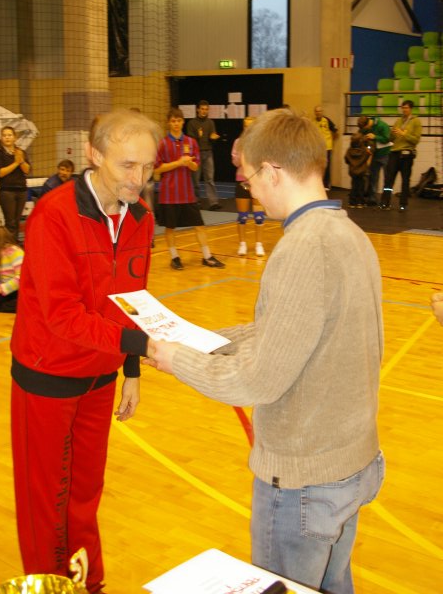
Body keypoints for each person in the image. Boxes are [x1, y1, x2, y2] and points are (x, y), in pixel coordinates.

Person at [146, 109, 385, 594]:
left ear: (273, 171)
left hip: (303, 482)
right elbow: (291, 331)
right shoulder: (349, 233)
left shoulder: (301, 248)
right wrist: (205, 340)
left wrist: (176, 360)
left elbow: (257, 380)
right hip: (350, 464)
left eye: (250, 176)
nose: (249, 187)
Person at [10, 109, 161, 594]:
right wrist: (140, 345)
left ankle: (87, 583)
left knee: (85, 494)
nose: (139, 179)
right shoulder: (54, 214)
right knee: (46, 503)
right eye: (127, 165)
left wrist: (131, 369)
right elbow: (62, 315)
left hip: (100, 378)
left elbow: (132, 301)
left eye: (147, 167)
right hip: (47, 378)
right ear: (94, 155)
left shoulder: (141, 217)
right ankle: (49, 586)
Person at [154, 108, 225, 270]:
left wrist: (189, 163)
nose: (176, 124)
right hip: (169, 195)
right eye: (173, 121)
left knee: (199, 225)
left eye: (178, 120)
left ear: (183, 122)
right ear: (168, 123)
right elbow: (157, 169)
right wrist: (179, 163)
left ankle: (207, 256)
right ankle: (175, 257)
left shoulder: (191, 142)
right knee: (170, 228)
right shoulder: (162, 143)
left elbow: (195, 167)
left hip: (187, 194)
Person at [380, 100, 422, 211]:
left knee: (405, 179)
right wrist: (392, 134)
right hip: (394, 152)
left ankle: (403, 204)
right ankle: (385, 202)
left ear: (411, 109)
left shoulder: (416, 121)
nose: (404, 110)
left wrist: (404, 134)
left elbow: (416, 140)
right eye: (403, 108)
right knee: (389, 179)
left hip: (407, 153)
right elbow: (391, 138)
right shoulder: (398, 120)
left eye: (406, 108)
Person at [231, 118, 265, 256]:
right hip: (242, 180)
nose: (248, 129)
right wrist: (242, 153)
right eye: (246, 126)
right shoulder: (238, 142)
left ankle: (259, 244)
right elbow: (235, 162)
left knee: (259, 215)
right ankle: (242, 244)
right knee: (243, 216)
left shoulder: (261, 143)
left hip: (257, 181)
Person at [0, 125, 31, 239]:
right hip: (7, 192)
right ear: (1, 138)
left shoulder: (21, 152)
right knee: (10, 223)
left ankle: (15, 245)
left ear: (15, 137)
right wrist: (16, 163)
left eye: (9, 135)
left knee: (17, 221)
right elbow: (1, 172)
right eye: (4, 135)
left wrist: (21, 161)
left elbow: (27, 170)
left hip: (22, 190)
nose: (7, 137)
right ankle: (9, 245)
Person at [186, 99, 221, 210]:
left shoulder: (210, 123)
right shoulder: (192, 123)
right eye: (202, 109)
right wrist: (198, 135)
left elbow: (212, 137)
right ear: (198, 109)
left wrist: (213, 138)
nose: (204, 111)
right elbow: (190, 141)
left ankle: (213, 202)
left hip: (208, 152)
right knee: (195, 180)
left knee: (210, 179)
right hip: (196, 154)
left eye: (206, 109)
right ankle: (195, 201)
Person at [357, 115, 391, 206]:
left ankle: (386, 200)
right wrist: (367, 148)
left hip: (385, 154)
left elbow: (387, 139)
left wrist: (375, 137)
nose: (365, 130)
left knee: (387, 178)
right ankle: (372, 199)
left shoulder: (383, 125)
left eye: (365, 129)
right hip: (374, 155)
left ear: (368, 124)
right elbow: (361, 136)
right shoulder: (365, 128)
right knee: (373, 178)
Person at [344, 132, 373, 208]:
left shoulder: (349, 150)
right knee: (361, 187)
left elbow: (346, 160)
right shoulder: (364, 151)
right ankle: (360, 202)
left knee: (353, 186)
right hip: (362, 171)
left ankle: (352, 202)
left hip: (353, 171)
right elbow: (368, 158)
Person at [313, 105, 337, 190]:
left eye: (320, 111)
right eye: (316, 111)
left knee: (326, 166)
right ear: (315, 113)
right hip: (318, 147)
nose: (318, 113)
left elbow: (335, 129)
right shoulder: (313, 122)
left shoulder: (326, 120)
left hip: (327, 147)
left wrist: (330, 139)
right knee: (318, 166)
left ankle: (326, 185)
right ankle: (318, 184)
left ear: (322, 112)